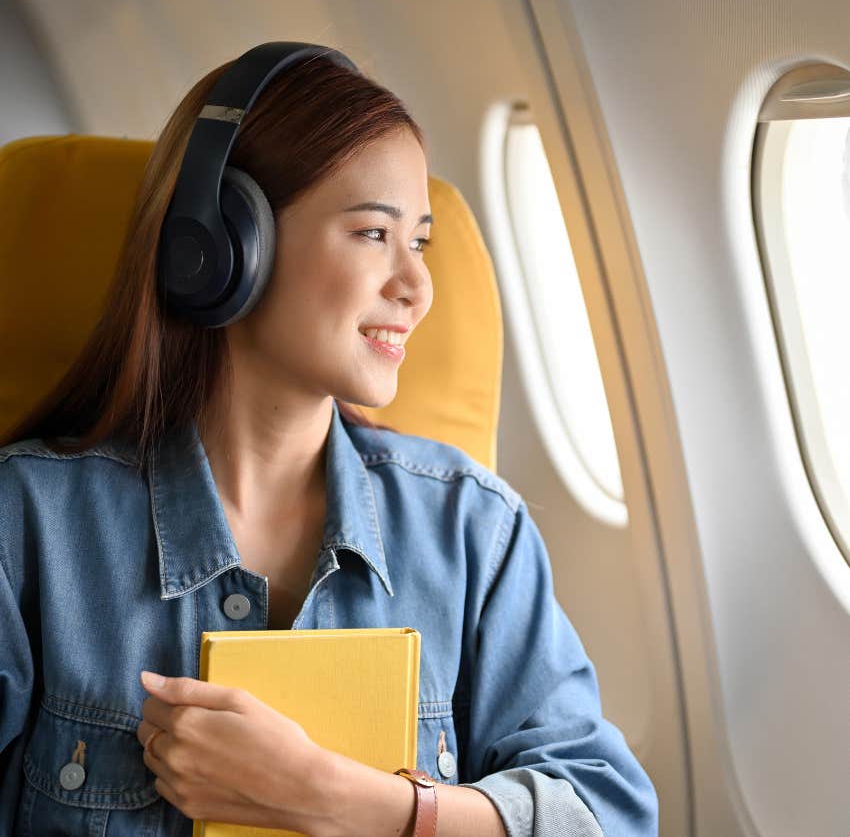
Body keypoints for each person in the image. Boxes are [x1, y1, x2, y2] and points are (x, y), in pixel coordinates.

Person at [0, 46, 658, 836]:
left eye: (420, 241)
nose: (418, 288)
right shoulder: (26, 525)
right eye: (374, 234)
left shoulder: (475, 531)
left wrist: (345, 800)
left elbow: (608, 814)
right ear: (222, 248)